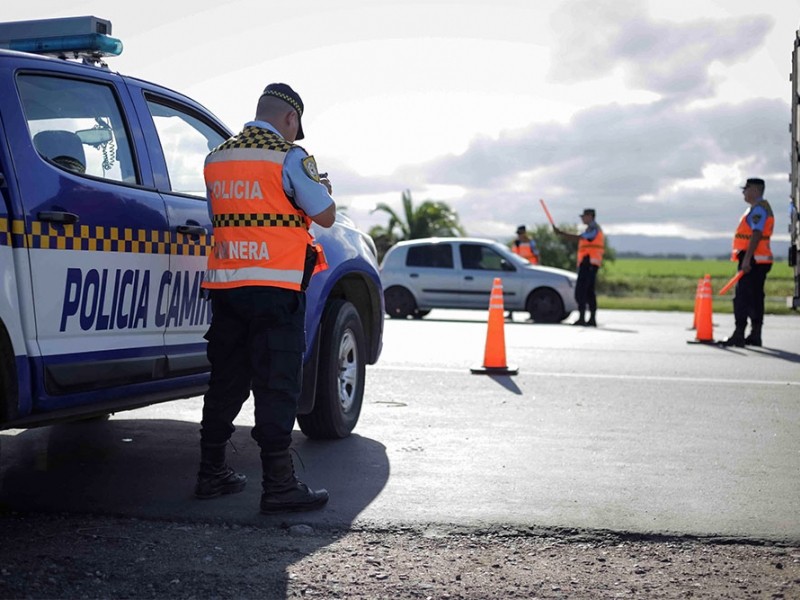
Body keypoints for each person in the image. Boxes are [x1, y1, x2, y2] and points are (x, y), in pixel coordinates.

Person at [196, 83, 336, 513]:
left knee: (226, 381)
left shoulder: (215, 158)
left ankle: (211, 473)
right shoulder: (289, 157)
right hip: (275, 289)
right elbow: (325, 216)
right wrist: (321, 186)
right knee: (277, 384)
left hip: (227, 287)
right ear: (290, 119)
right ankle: (279, 485)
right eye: (296, 128)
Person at [719, 178, 773, 347]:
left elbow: (756, 233)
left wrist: (747, 259)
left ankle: (739, 334)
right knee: (756, 298)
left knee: (742, 298)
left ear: (755, 190)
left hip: (753, 260)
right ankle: (755, 335)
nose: (743, 192)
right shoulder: (761, 208)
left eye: (746, 189)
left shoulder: (758, 210)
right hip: (759, 259)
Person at [553, 209, 604, 327]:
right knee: (589, 292)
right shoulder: (591, 229)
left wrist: (561, 233)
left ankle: (585, 318)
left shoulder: (594, 229)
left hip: (589, 263)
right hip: (588, 263)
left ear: (590, 216)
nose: (582, 218)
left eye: (584, 216)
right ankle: (589, 318)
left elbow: (580, 238)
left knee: (582, 291)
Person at [506, 225, 541, 320]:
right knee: (513, 290)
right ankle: (510, 312)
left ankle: (532, 313)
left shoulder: (531, 243)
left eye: (520, 233)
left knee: (530, 291)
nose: (519, 235)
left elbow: (537, 255)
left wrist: (538, 267)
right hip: (518, 270)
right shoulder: (516, 243)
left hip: (530, 269)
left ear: (525, 233)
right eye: (518, 234)